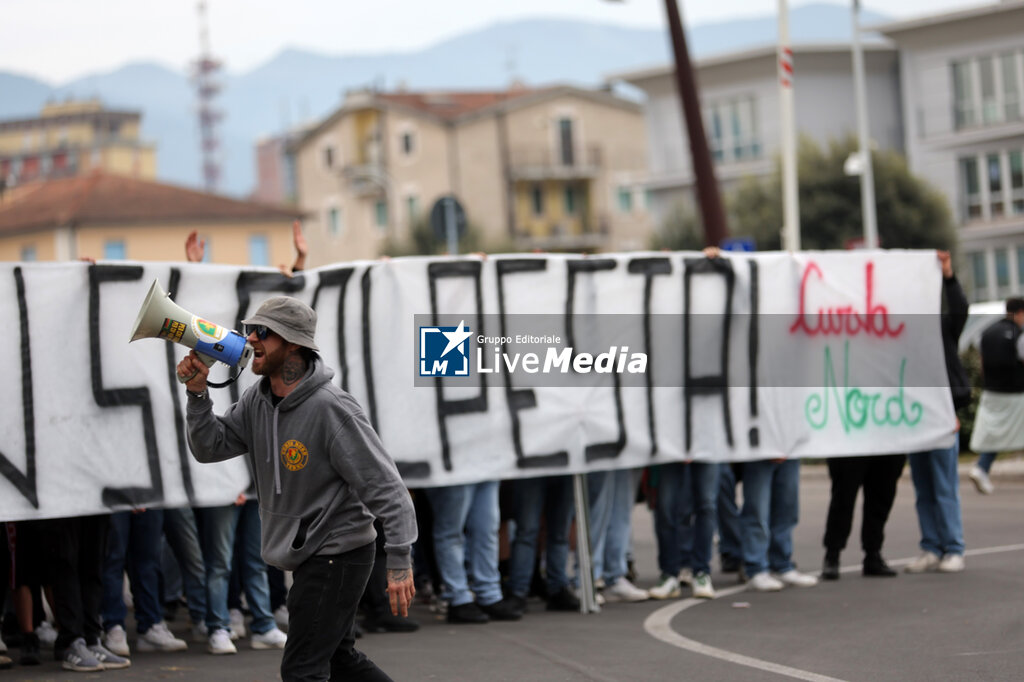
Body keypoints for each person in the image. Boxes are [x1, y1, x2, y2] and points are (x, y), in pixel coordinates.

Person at [178, 296, 416, 682]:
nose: (250, 338)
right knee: (338, 659)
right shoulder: (257, 398)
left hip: (338, 552)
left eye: (262, 332)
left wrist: (400, 562)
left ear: (292, 343)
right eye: (249, 329)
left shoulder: (332, 408)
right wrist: (198, 394)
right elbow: (210, 447)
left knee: (302, 669)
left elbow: (388, 490)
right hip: (313, 554)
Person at [905, 250, 968, 574]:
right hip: (915, 421)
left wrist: (948, 275)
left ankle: (953, 547)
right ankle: (931, 546)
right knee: (924, 489)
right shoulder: (902, 338)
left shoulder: (943, 328)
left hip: (943, 419)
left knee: (944, 487)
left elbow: (960, 310)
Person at [968, 296, 1024, 495]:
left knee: (995, 435)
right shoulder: (1018, 334)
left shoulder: (988, 332)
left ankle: (982, 467)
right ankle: (981, 468)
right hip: (1016, 394)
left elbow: (981, 363)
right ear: (1019, 313)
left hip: (992, 392)